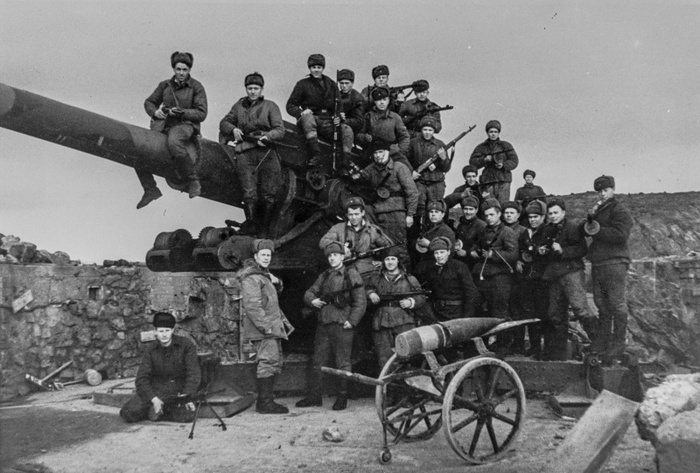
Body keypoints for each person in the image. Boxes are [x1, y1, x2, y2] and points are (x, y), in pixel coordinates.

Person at [297, 242, 367, 411]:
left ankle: (342, 396)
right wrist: (312, 301)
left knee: (342, 362)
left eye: (335, 255)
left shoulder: (351, 275)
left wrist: (353, 320)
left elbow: (360, 301)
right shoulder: (324, 275)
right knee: (318, 361)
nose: (332, 258)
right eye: (329, 256)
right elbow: (310, 292)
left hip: (343, 324)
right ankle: (314, 397)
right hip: (324, 323)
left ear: (343, 257)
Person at [137, 51, 208, 209]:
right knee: (141, 147)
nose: (181, 73)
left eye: (185, 70)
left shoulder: (196, 87)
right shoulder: (165, 85)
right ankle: (150, 189)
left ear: (189, 70)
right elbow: (149, 102)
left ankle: (193, 180)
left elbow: (202, 113)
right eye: (178, 69)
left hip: (185, 125)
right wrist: (155, 112)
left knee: (174, 141)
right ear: (174, 69)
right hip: (164, 125)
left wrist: (182, 112)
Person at [219, 72, 285, 237]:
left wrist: (268, 137)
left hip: (266, 152)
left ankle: (264, 231)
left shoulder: (271, 106)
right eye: (250, 88)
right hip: (245, 152)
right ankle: (251, 228)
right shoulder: (238, 106)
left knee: (268, 195)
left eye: (256, 88)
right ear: (246, 89)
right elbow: (224, 122)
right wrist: (233, 129)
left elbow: (279, 129)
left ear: (262, 89)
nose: (253, 92)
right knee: (249, 193)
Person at [583, 175, 634, 364]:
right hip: (599, 263)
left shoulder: (619, 210)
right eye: (599, 191)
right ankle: (604, 342)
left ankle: (618, 343)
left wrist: (597, 230)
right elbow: (591, 229)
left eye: (605, 190)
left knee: (616, 303)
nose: (602, 194)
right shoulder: (599, 209)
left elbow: (621, 235)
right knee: (601, 303)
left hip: (614, 262)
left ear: (613, 189)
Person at [239, 239, 292, 414]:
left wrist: (277, 282)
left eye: (269, 255)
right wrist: (266, 327)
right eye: (263, 255)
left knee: (272, 361)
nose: (266, 258)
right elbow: (253, 306)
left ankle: (266, 401)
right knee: (268, 362)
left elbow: (270, 298)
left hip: (269, 328)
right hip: (265, 330)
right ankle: (265, 403)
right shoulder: (252, 278)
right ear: (255, 256)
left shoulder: (263, 275)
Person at [120, 312, 201, 423]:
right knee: (127, 413)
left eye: (167, 331)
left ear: (172, 330)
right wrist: (153, 399)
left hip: (178, 392)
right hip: (156, 391)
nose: (164, 335)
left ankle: (158, 412)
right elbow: (141, 378)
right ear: (155, 332)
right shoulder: (151, 349)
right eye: (161, 331)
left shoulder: (186, 345)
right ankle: (157, 409)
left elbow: (194, 374)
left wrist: (187, 396)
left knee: (187, 416)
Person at [351, 140, 419, 268]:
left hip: (396, 213)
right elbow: (360, 177)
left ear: (388, 152)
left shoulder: (399, 167)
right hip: (377, 212)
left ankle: (406, 279)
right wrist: (352, 174)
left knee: (398, 248)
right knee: (380, 247)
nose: (378, 155)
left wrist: (410, 214)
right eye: (375, 153)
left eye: (381, 152)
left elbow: (412, 192)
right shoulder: (371, 168)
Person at [540, 199, 590, 361]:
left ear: (563, 213)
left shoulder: (573, 227)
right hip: (554, 275)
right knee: (555, 314)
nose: (553, 216)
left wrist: (562, 250)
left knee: (580, 309)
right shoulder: (547, 229)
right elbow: (547, 250)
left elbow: (582, 249)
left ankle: (599, 345)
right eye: (550, 214)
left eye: (556, 213)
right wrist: (543, 251)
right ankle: (560, 353)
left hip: (571, 272)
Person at [286, 54, 352, 166]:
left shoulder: (331, 84)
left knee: (347, 129)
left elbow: (339, 105)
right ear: (309, 68)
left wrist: (338, 118)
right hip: (312, 121)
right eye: (313, 67)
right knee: (307, 118)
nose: (316, 70)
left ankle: (346, 163)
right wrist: (301, 112)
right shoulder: (302, 84)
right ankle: (316, 154)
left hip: (329, 122)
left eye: (319, 67)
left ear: (323, 68)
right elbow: (290, 105)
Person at [366, 246, 426, 369]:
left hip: (403, 320)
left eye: (393, 259)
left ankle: (408, 384)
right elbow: (365, 288)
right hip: (381, 321)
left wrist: (411, 302)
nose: (390, 262)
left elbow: (421, 296)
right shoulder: (376, 278)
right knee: (384, 358)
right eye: (387, 259)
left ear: (398, 261)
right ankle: (387, 386)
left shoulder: (409, 279)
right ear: (383, 262)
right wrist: (370, 293)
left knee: (408, 355)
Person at [319, 196, 393, 283]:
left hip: (367, 274)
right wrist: (341, 248)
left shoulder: (373, 230)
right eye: (351, 214)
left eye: (357, 214)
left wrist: (383, 263)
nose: (354, 218)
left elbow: (390, 247)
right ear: (346, 214)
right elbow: (323, 242)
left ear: (363, 213)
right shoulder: (338, 228)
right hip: (343, 273)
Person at [469, 198, 519, 320]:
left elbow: (513, 255)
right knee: (480, 310)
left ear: (499, 214)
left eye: (492, 215)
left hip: (500, 278)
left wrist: (492, 255)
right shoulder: (483, 230)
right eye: (486, 215)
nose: (489, 218)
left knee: (499, 312)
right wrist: (473, 253)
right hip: (482, 276)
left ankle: (503, 339)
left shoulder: (507, 232)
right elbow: (476, 246)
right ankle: (485, 339)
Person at [513, 200, 549, 358]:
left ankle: (544, 348)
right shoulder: (525, 234)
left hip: (542, 280)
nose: (533, 219)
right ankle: (534, 347)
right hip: (527, 279)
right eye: (530, 217)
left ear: (543, 216)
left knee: (542, 313)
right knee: (528, 313)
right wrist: (519, 260)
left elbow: (546, 253)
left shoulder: (547, 232)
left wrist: (534, 250)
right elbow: (520, 251)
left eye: (536, 216)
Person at [415, 236, 478, 321]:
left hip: (457, 312)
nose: (439, 256)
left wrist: (467, 316)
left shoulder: (459, 267)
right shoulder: (431, 269)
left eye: (442, 252)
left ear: (448, 252)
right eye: (436, 253)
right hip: (437, 311)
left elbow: (471, 292)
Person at [407, 116, 450, 225]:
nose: (427, 132)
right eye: (425, 129)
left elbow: (446, 168)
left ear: (434, 131)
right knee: (418, 208)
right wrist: (411, 172)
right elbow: (405, 161)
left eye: (430, 130)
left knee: (435, 209)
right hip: (419, 181)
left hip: (436, 183)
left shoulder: (440, 145)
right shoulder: (413, 143)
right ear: (421, 130)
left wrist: (443, 158)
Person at [358, 86, 411, 169]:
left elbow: (405, 137)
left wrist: (397, 150)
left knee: (408, 170)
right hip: (372, 152)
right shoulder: (368, 117)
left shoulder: (395, 117)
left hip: (391, 152)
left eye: (384, 100)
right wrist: (364, 137)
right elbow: (359, 134)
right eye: (379, 100)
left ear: (388, 101)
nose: (381, 103)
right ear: (375, 102)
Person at [469, 120, 518, 204]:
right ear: (487, 133)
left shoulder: (506, 145)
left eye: (496, 131)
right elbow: (472, 162)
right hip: (488, 181)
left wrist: (503, 165)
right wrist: (484, 160)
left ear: (499, 133)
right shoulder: (481, 147)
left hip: (503, 180)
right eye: (491, 131)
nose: (493, 134)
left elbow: (514, 161)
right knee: (489, 205)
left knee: (503, 205)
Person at [336, 69, 366, 162]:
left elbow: (359, 122)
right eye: (341, 83)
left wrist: (342, 121)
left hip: (353, 130)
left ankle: (346, 162)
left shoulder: (357, 99)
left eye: (347, 83)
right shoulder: (336, 95)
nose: (344, 86)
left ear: (352, 83)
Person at [453, 195, 487, 271]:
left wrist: (466, 253)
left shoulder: (482, 226)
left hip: (473, 264)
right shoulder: (460, 224)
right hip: (458, 260)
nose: (468, 212)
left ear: (476, 210)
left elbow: (482, 249)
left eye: (471, 209)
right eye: (465, 209)